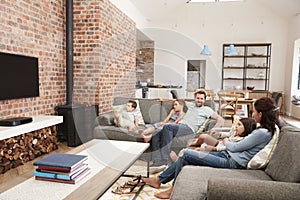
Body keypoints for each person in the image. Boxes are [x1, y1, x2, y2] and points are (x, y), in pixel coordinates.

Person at [142, 97, 279, 199]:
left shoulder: (262, 132)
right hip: (227, 155)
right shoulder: (263, 130)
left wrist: (225, 141)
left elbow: (236, 147)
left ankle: (170, 188)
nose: (252, 114)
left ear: (261, 114)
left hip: (232, 161)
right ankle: (160, 180)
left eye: (254, 112)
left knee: (185, 154)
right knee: (186, 155)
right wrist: (225, 140)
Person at [150, 90, 224, 166]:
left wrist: (214, 128)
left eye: (201, 99)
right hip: (179, 126)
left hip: (189, 128)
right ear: (195, 98)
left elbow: (220, 119)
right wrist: (162, 99)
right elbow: (179, 101)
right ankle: (157, 160)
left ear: (204, 100)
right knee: (156, 133)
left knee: (167, 127)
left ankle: (165, 159)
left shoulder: (207, 109)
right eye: (198, 98)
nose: (199, 100)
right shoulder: (190, 105)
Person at [170, 118, 257, 161]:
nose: (236, 126)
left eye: (239, 125)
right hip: (219, 143)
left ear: (247, 128)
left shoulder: (242, 140)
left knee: (198, 150)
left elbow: (227, 149)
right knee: (203, 136)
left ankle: (177, 160)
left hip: (220, 148)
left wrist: (212, 148)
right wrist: (219, 134)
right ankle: (195, 143)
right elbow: (227, 134)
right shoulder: (235, 133)